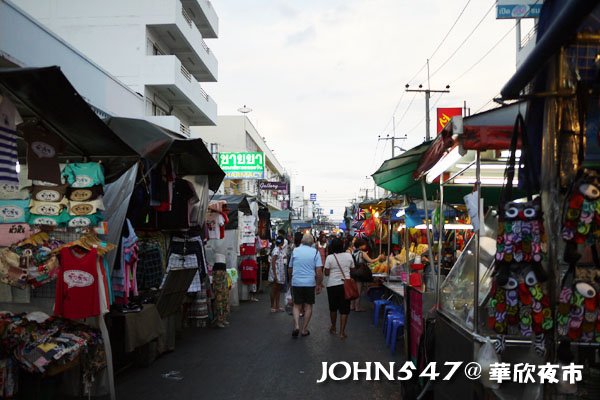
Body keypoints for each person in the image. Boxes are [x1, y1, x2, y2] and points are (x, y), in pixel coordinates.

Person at [288, 233, 323, 338]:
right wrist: (319, 284)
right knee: (308, 306)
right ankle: (304, 329)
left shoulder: (295, 251)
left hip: (296, 282)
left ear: (302, 241)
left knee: (296, 305)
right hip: (309, 283)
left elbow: (290, 268)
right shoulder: (315, 252)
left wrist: (291, 280)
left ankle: (297, 326)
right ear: (312, 242)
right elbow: (319, 270)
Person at [324, 238, 354, 339]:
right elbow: (352, 269)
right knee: (344, 309)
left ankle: (333, 327)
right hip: (345, 285)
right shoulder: (349, 256)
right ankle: (342, 332)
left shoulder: (329, 258)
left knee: (333, 308)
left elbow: (326, 273)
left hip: (332, 285)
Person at [351, 238, 384, 312]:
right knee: (358, 291)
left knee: (354, 290)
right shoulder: (362, 253)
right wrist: (378, 257)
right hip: (360, 273)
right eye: (364, 244)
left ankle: (352, 306)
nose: (365, 245)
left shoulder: (353, 252)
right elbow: (371, 261)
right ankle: (357, 307)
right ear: (360, 246)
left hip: (354, 272)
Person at [269, 236, 286, 313]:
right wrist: (275, 275)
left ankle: (277, 306)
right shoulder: (276, 250)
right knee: (274, 289)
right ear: (282, 242)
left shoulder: (280, 250)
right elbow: (273, 262)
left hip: (280, 272)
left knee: (278, 289)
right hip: (276, 273)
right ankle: (272, 306)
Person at [212, 253, 230, 328]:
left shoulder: (222, 272)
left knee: (225, 302)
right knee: (219, 304)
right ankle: (219, 320)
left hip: (223, 289)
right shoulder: (217, 273)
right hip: (219, 290)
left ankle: (223, 319)